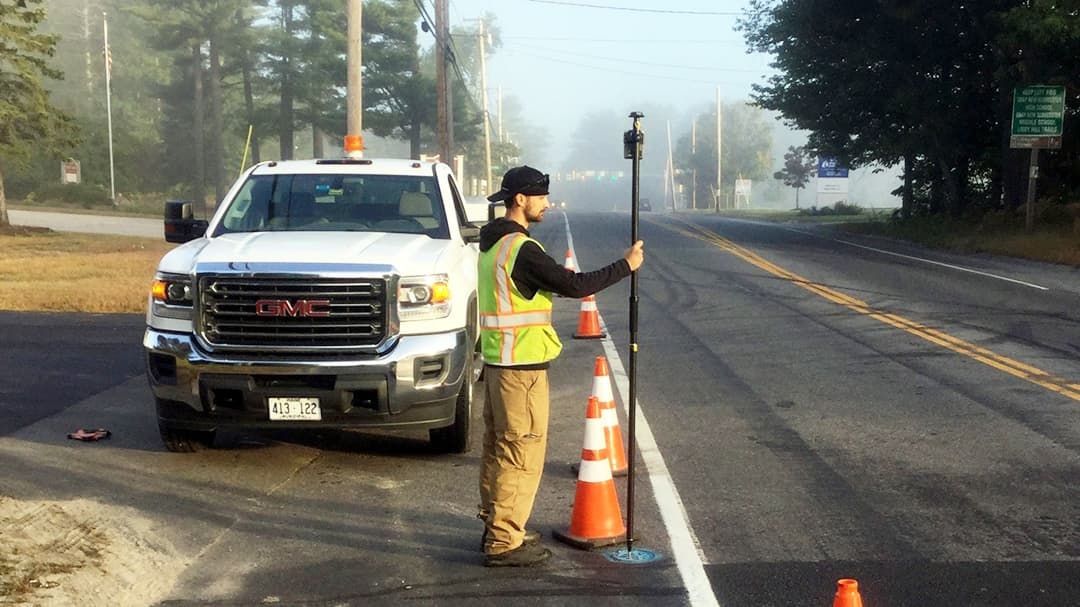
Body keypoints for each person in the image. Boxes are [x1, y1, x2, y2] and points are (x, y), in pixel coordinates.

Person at [477, 165, 645, 567]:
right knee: (522, 452)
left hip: (500, 362)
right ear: (521, 199)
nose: (547, 204)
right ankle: (503, 541)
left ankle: (500, 524)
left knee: (500, 449)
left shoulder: (492, 244)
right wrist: (626, 266)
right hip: (522, 368)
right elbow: (574, 285)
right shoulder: (521, 250)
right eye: (541, 197)